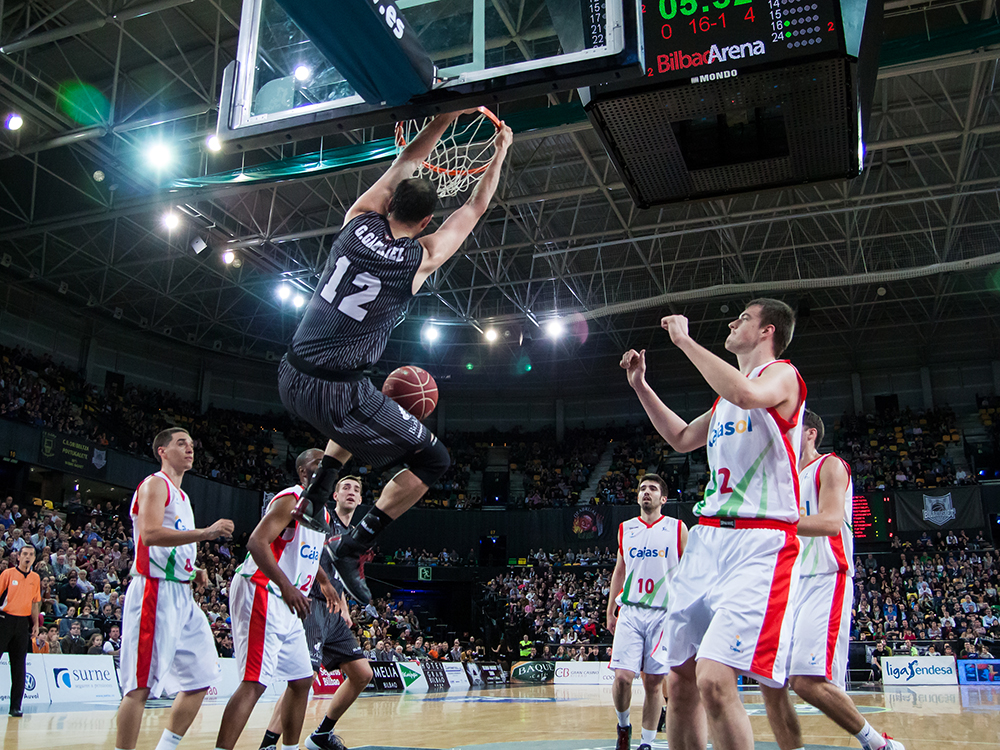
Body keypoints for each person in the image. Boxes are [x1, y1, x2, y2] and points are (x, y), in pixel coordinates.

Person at [277, 110, 513, 604]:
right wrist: (501, 150)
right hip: (336, 395)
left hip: (291, 373)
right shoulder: (418, 260)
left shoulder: (355, 221)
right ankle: (355, 545)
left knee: (374, 391)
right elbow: (475, 207)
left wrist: (444, 115)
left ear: (387, 205)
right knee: (435, 459)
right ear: (426, 221)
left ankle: (319, 492)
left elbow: (409, 158)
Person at [621, 299, 805, 750]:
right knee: (679, 683)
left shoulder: (783, 375)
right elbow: (682, 438)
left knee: (715, 679)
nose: (731, 321)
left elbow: (749, 395)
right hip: (708, 541)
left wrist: (683, 340)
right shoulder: (725, 399)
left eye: (742, 317)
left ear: (768, 331)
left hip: (758, 542)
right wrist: (641, 386)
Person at [761, 410, 904, 750]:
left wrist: (770, 522)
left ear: (810, 433)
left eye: (789, 428)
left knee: (806, 682)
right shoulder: (782, 480)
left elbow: (828, 522)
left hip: (825, 576)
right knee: (771, 680)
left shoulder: (830, 465)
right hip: (787, 584)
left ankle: (877, 744)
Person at [114, 428, 235, 750]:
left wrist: (191, 569)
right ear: (162, 451)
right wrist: (205, 533)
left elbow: (168, 546)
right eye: (181, 443)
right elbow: (151, 534)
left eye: (192, 444)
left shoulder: (182, 497)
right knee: (139, 687)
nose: (190, 449)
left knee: (202, 678)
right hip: (155, 592)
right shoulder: (156, 484)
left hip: (181, 594)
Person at [214, 450, 341, 750]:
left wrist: (323, 581)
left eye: (328, 467)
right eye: (316, 467)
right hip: (263, 589)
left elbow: (305, 552)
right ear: (302, 473)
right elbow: (257, 542)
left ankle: (289, 749)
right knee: (254, 682)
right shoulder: (291, 499)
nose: (323, 471)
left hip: (289, 598)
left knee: (301, 680)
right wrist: (287, 587)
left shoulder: (322, 513)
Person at [260, 468, 373, 750]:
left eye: (356, 490)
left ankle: (321, 735)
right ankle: (268, 743)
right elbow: (306, 554)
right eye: (345, 487)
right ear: (334, 495)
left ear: (360, 501)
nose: (351, 492)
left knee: (362, 674)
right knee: (303, 678)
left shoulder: (354, 536)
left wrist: (345, 607)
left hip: (334, 611)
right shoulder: (321, 518)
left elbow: (342, 577)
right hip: (310, 603)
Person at [606, 474, 687, 750]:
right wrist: (610, 611)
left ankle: (647, 743)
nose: (646, 492)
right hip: (630, 610)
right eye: (642, 488)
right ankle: (623, 725)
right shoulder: (625, 528)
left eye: (652, 489)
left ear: (663, 498)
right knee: (622, 678)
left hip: (664, 614)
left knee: (654, 683)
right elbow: (620, 570)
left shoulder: (678, 529)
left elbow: (689, 573)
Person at [0, 545, 40, 716]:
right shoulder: (7, 574)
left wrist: (36, 624)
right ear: (18, 557)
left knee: (19, 666)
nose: (27, 557)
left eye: (31, 554)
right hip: (4, 620)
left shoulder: (35, 578)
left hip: (23, 623)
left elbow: (35, 602)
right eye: (24, 554)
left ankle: (15, 706)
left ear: (34, 558)